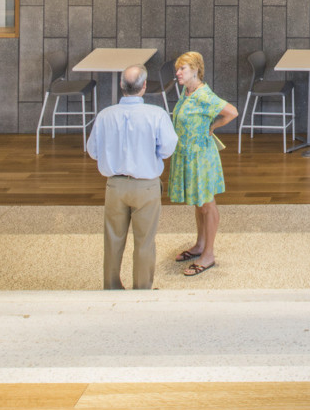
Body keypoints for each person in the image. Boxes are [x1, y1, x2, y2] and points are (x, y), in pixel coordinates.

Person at [85, 65, 178, 291]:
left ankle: (111, 288)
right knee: (145, 242)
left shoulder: (105, 115)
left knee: (113, 241)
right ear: (144, 87)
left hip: (114, 185)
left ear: (121, 86)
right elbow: (167, 149)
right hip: (146, 187)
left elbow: (92, 150)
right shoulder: (157, 115)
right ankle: (142, 290)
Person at [167, 51, 237, 277]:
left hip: (201, 157)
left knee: (207, 204)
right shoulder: (187, 92)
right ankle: (199, 245)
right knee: (199, 202)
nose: (177, 73)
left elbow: (231, 112)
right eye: (178, 69)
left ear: (195, 70)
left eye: (182, 69)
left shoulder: (203, 95)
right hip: (188, 154)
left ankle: (208, 254)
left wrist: (213, 126)